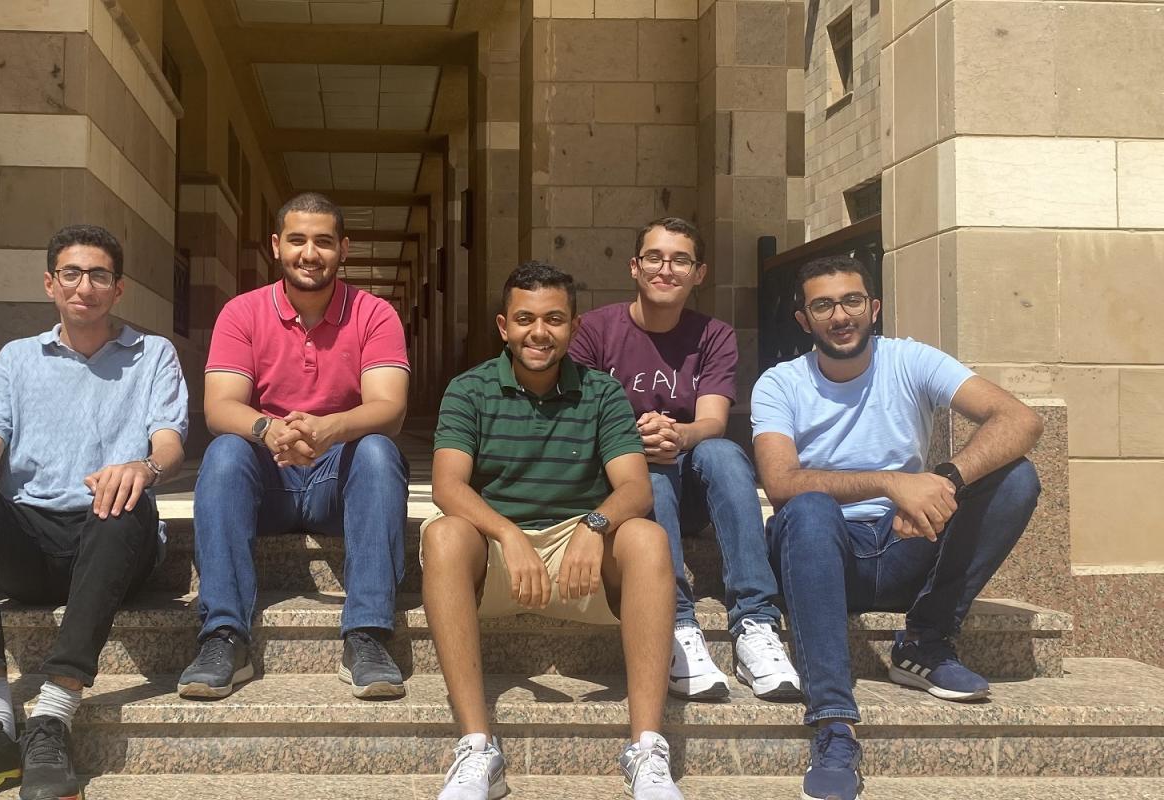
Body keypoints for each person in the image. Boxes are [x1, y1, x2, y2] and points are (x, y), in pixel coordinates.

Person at [0, 225, 188, 800]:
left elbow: (170, 445)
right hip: (30, 537)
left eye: (99, 275)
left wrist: (142, 469)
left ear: (118, 288)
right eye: (72, 274)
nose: (85, 286)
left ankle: (54, 714)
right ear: (50, 283)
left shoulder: (152, 354)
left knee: (123, 499)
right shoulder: (16, 359)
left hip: (115, 535)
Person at [752, 255, 1043, 800]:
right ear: (804, 320)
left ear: (873, 308)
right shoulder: (780, 383)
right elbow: (782, 481)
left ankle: (926, 643)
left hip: (905, 541)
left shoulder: (911, 361)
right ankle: (834, 723)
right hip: (819, 556)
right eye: (823, 305)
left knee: (1016, 478)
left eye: (852, 301)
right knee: (809, 508)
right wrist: (892, 483)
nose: (841, 316)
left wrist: (946, 479)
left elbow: (1021, 419)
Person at [425, 262, 684, 800]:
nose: (538, 332)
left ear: (574, 325)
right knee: (444, 533)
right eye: (524, 318)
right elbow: (449, 487)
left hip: (578, 555)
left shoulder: (602, 393)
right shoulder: (469, 390)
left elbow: (636, 488)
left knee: (647, 538)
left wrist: (595, 524)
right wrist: (508, 535)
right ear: (503, 326)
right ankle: (477, 748)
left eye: (554, 319)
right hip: (497, 553)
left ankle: (647, 750)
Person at [179, 191, 411, 700]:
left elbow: (389, 407)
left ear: (343, 249)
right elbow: (220, 406)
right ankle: (224, 635)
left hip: (338, 483)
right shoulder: (243, 312)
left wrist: (330, 428)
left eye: (324, 242)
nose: (311, 253)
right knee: (224, 452)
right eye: (299, 240)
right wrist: (269, 430)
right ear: (276, 246)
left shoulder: (374, 315)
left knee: (377, 451)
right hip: (270, 483)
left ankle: (367, 634)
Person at [570, 217, 800, 701]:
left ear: (699, 273)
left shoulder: (713, 335)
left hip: (691, 481)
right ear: (634, 267)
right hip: (628, 486)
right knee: (646, 476)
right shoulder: (593, 331)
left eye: (680, 260)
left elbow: (712, 421)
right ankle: (675, 625)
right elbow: (579, 420)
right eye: (654, 257)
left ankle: (755, 624)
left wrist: (677, 433)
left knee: (725, 452)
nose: (665, 269)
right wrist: (634, 440)